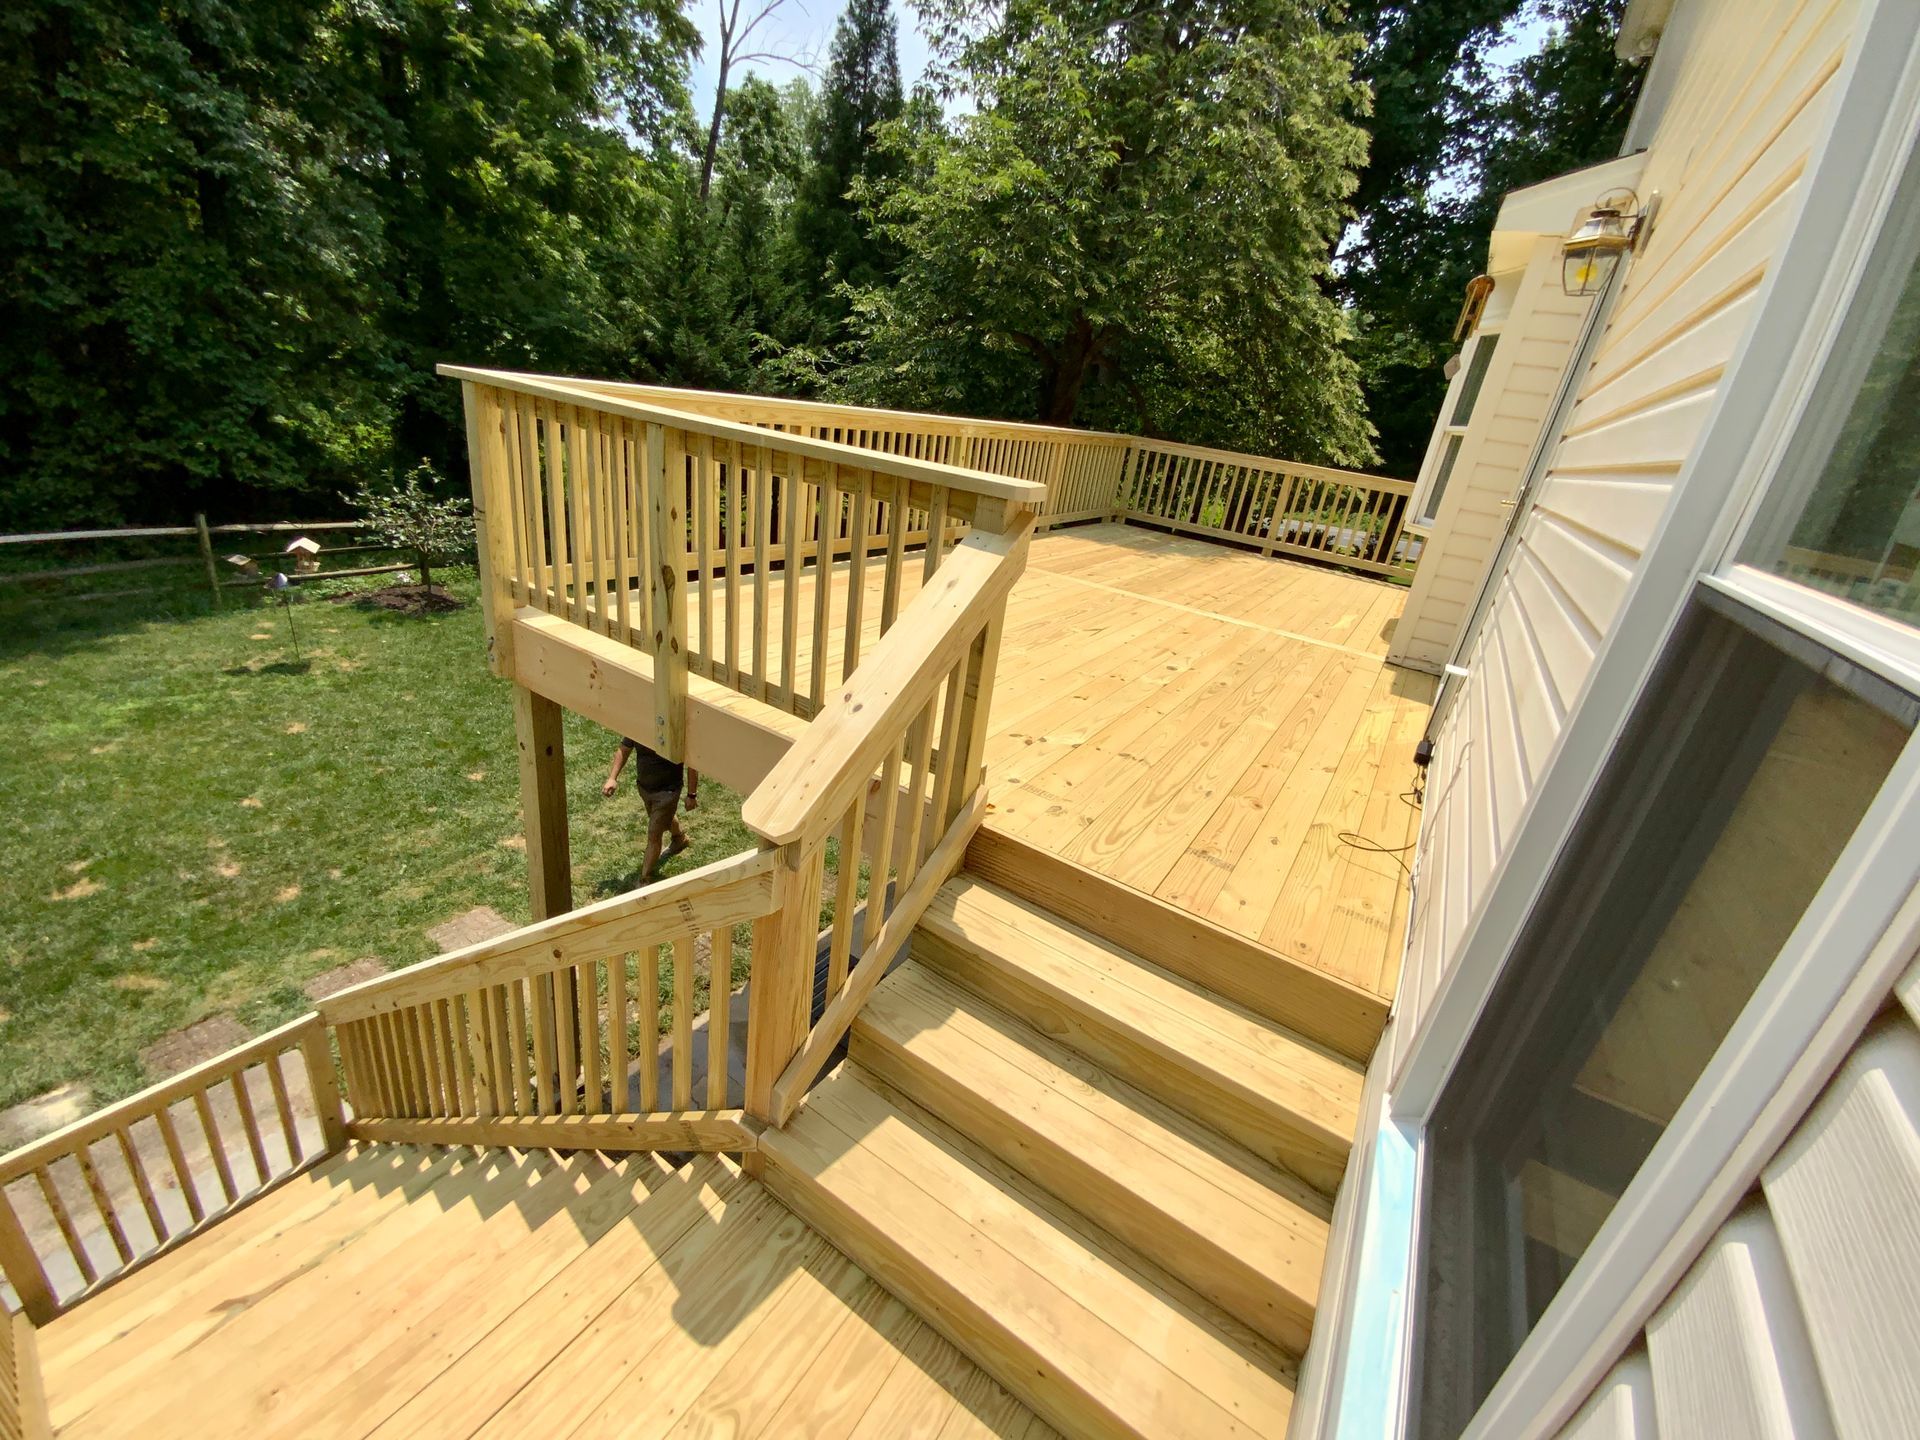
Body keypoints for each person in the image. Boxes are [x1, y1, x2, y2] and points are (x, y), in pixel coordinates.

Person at [602, 737, 700, 882]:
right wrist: (612, 778)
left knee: (654, 835)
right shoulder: (640, 723)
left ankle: (644, 878)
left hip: (667, 792)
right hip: (644, 788)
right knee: (661, 818)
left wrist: (692, 795)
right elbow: (624, 748)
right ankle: (679, 838)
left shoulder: (673, 730)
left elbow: (692, 762)